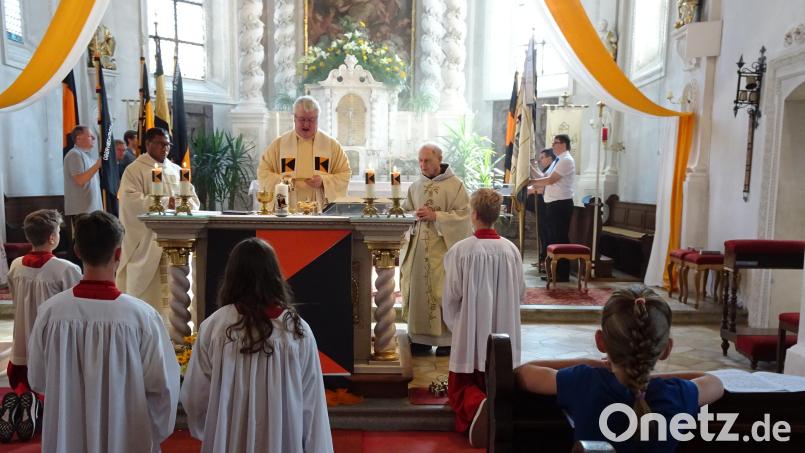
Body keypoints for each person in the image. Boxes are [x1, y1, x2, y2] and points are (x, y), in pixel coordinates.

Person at [28, 211, 180, 453]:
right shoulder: (142, 317)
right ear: (118, 253)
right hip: (125, 435)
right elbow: (163, 387)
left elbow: (37, 378)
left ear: (77, 251)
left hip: (69, 436)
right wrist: (149, 431)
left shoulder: (50, 313)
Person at [514, 285, 724, 452]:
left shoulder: (585, 381)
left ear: (601, 342)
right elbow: (713, 382)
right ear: (666, 349)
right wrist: (646, 374)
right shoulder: (676, 395)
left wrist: (591, 362)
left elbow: (524, 372)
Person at [181, 238, 333, 453]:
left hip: (229, 439)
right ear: (274, 275)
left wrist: (215, 429)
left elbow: (196, 395)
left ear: (232, 276)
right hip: (282, 441)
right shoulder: (297, 330)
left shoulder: (215, 326)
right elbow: (312, 403)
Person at [442, 188, 524, 447]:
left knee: (459, 388)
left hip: (471, 329)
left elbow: (451, 296)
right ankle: (493, 407)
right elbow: (520, 292)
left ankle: (477, 404)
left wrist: (459, 327)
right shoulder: (511, 250)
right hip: (505, 331)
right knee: (500, 379)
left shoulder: (461, 250)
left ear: (473, 214)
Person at [4, 210, 81, 442]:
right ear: (52, 238)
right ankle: (41, 407)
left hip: (21, 342)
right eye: (58, 231)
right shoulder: (66, 269)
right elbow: (74, 307)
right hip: (50, 342)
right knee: (55, 384)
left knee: (24, 377)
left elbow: (16, 299)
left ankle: (22, 403)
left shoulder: (16, 265)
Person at [117, 127, 200, 315]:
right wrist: (164, 202)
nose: (165, 148)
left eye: (168, 144)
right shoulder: (135, 170)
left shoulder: (178, 170)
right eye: (161, 144)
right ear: (148, 144)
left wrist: (182, 204)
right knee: (150, 293)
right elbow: (129, 201)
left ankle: (177, 330)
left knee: (177, 291)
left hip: (178, 240)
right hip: (148, 241)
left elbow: (194, 201)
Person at [400, 143, 472, 356]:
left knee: (443, 290)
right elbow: (404, 212)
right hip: (418, 249)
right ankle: (420, 338)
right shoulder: (416, 186)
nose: (422, 165)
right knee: (418, 290)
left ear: (439, 160)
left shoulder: (456, 186)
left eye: (427, 160)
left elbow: (465, 216)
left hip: (444, 250)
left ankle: (446, 340)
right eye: (420, 161)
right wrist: (410, 216)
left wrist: (437, 217)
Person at [257, 96, 351, 208]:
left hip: (319, 204)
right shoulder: (280, 145)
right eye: (302, 119)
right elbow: (263, 171)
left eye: (311, 120)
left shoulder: (331, 146)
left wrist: (324, 181)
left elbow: (344, 173)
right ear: (294, 118)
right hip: (285, 202)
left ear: (317, 119)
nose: (306, 124)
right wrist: (283, 181)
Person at [530, 134, 575, 282]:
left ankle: (562, 274)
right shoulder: (558, 160)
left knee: (560, 238)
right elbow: (544, 176)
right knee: (552, 239)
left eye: (556, 143)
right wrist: (531, 167)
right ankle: (553, 272)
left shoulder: (566, 160)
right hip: (552, 204)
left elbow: (550, 180)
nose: (553, 145)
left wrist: (531, 181)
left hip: (561, 204)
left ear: (564, 144)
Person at [63, 125, 102, 223]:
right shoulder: (74, 154)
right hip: (81, 211)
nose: (94, 138)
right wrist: (97, 165)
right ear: (79, 138)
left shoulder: (87, 156)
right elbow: (80, 180)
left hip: (91, 209)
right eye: (90, 136)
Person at [528, 148, 558, 270]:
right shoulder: (548, 170)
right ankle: (543, 258)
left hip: (546, 206)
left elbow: (544, 187)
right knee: (542, 233)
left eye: (542, 158)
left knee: (546, 234)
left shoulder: (553, 169)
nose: (540, 161)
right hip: (542, 206)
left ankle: (546, 260)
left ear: (550, 158)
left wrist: (530, 166)